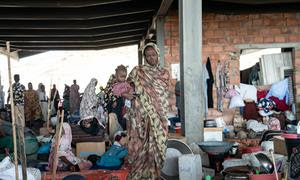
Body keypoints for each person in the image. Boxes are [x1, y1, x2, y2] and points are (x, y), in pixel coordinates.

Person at [125, 42, 170, 179]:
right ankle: (139, 175)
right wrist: (126, 95)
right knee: (139, 145)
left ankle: (154, 175)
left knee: (157, 145)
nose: (151, 58)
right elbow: (126, 88)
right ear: (144, 57)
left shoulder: (164, 73)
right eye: (148, 55)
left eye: (153, 55)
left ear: (158, 55)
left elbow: (163, 96)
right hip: (140, 117)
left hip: (159, 117)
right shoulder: (137, 72)